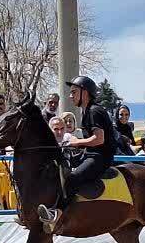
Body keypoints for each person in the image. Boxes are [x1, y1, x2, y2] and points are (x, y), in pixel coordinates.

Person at [38, 76, 118, 225]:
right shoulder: (86, 111)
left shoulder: (94, 111)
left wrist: (77, 142)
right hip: (89, 154)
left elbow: (99, 139)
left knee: (72, 179)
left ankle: (57, 215)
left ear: (85, 93)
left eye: (74, 92)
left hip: (100, 158)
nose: (70, 96)